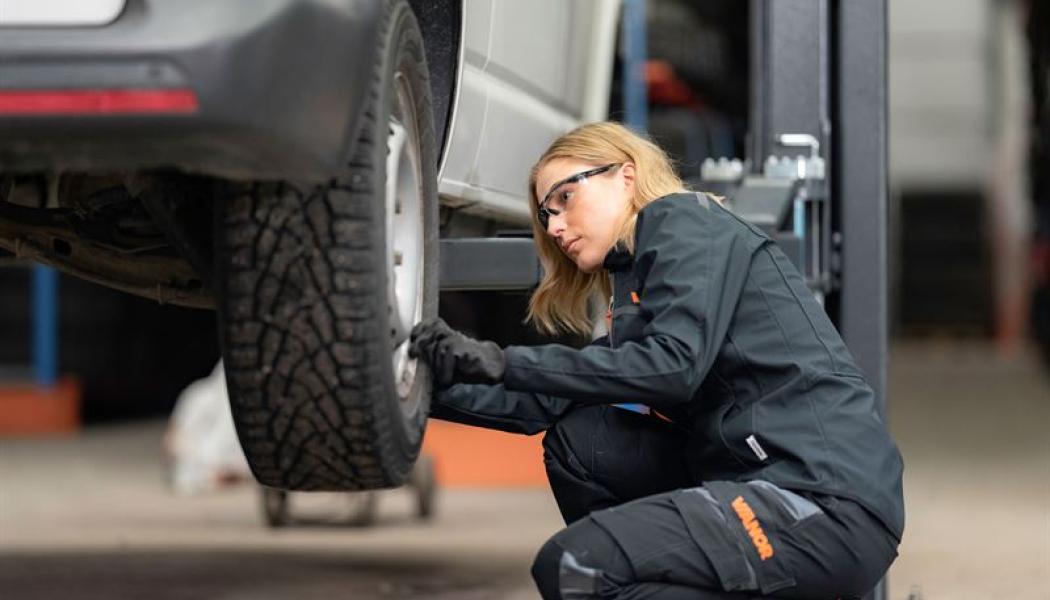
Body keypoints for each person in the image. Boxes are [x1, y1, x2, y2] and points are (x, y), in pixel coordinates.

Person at [409, 121, 903, 599]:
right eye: (544, 215)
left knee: (576, 566)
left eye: (564, 197)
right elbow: (543, 399)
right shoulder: (650, 288)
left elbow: (671, 368)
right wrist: (404, 382)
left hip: (817, 500)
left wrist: (496, 359)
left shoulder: (682, 220)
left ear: (625, 174)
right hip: (756, 480)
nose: (555, 225)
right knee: (583, 445)